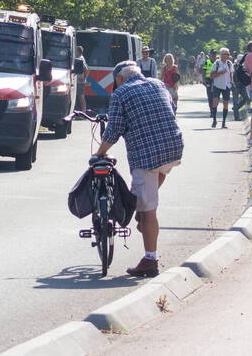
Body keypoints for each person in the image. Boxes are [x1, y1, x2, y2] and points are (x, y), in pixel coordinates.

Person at [93, 62, 183, 278]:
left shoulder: (121, 93)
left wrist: (99, 153)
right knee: (146, 198)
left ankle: (150, 260)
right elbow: (171, 109)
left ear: (120, 79)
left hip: (146, 155)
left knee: (149, 209)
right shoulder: (158, 84)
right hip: (173, 148)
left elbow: (114, 128)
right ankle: (141, 215)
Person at [209, 48, 234, 128]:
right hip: (217, 85)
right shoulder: (216, 63)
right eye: (224, 54)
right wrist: (220, 73)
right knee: (215, 102)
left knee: (226, 104)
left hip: (226, 86)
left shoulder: (230, 64)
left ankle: (223, 122)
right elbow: (211, 76)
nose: (226, 55)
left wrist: (231, 83)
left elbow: (231, 74)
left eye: (227, 54)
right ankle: (214, 120)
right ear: (221, 55)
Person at [75, 46, 88, 111]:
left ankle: (83, 112)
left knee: (81, 97)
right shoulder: (80, 58)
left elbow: (86, 69)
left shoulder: (80, 59)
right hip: (77, 81)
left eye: (76, 51)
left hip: (80, 82)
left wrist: (84, 79)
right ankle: (82, 112)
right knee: (79, 97)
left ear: (78, 52)